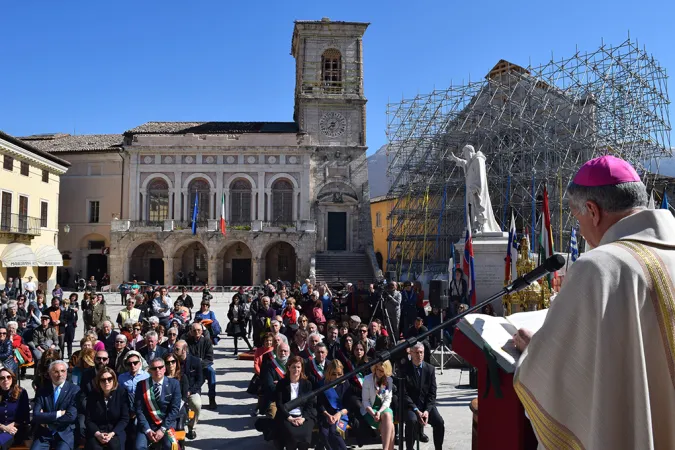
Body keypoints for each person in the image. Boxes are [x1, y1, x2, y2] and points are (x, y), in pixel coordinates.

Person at [512, 155, 675, 449]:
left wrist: (534, 350)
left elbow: (559, 380)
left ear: (593, 210)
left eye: (578, 218)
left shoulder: (600, 267)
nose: (582, 231)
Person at [401, 342, 444, 450]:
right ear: (411, 353)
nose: (419, 355)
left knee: (439, 422)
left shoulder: (430, 369)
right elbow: (404, 393)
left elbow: (432, 393)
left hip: (426, 406)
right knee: (412, 421)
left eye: (421, 352)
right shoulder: (404, 369)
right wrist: (416, 410)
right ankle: (410, 448)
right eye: (416, 353)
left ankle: (438, 448)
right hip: (411, 406)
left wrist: (427, 411)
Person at [134, 358, 182, 450]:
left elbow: (174, 409)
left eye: (160, 367)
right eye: (154, 368)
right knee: (139, 447)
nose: (157, 370)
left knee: (170, 446)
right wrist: (147, 430)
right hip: (148, 424)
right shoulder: (142, 385)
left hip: (167, 424)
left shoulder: (174, 384)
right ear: (149, 370)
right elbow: (139, 410)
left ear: (164, 369)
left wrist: (162, 429)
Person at [31, 360, 79, 450]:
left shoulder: (74, 390)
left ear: (66, 372)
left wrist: (47, 422)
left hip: (64, 434)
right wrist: (59, 413)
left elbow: (70, 416)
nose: (60, 374)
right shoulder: (42, 391)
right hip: (44, 435)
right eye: (56, 371)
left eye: (62, 371)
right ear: (49, 373)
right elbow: (36, 415)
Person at [274, 355, 316, 450]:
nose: (296, 369)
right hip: (286, 416)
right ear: (288, 368)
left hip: (303, 416)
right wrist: (290, 418)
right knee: (291, 436)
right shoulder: (282, 384)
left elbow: (310, 404)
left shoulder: (307, 384)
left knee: (305, 437)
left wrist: (303, 418)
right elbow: (279, 404)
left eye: (298, 367)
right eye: (293, 367)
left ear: (301, 368)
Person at [85, 367, 130, 450]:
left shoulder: (121, 393)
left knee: (114, 446)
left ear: (114, 380)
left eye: (109, 379)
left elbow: (125, 419)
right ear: (98, 381)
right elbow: (88, 420)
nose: (106, 382)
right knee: (95, 447)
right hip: (97, 431)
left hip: (115, 431)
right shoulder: (92, 395)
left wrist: (112, 433)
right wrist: (98, 434)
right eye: (103, 380)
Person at [361, 360, 395, 450]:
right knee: (390, 426)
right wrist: (373, 414)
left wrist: (379, 412)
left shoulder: (389, 380)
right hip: (370, 410)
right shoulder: (368, 379)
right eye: (378, 370)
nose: (380, 373)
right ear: (375, 368)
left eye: (382, 371)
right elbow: (365, 401)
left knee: (387, 415)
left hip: (383, 408)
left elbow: (388, 399)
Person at [317, 360, 350, 450]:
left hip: (341, 414)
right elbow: (319, 404)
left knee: (334, 431)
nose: (337, 377)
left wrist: (338, 414)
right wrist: (328, 415)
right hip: (326, 414)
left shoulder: (345, 383)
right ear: (329, 373)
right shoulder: (322, 384)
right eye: (334, 374)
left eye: (339, 374)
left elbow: (348, 405)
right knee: (324, 433)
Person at [173, 341, 202, 440]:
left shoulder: (195, 361)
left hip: (191, 390)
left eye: (177, 349)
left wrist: (190, 391)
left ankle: (191, 427)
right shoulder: (172, 361)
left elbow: (200, 380)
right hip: (176, 391)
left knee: (197, 404)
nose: (174, 351)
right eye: (174, 348)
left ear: (184, 350)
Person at [186, 322, 216, 410]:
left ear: (202, 331)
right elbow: (188, 356)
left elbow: (210, 358)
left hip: (204, 366)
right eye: (194, 330)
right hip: (193, 367)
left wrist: (200, 363)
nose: (196, 332)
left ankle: (212, 399)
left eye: (199, 330)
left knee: (211, 372)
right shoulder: (188, 342)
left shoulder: (207, 341)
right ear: (191, 332)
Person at [0, 368, 30, 449]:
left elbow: (25, 417)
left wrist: (10, 426)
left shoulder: (21, 392)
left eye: (8, 377)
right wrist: (3, 427)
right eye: (2, 378)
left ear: (12, 379)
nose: (5, 380)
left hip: (15, 429)